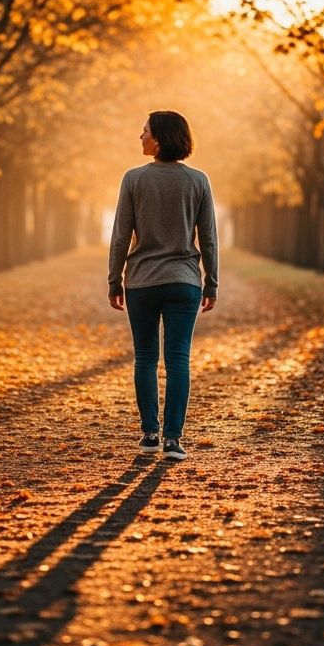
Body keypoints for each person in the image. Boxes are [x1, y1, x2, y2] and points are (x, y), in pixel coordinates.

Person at [107, 110, 218, 461]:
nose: (140, 137)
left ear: (159, 139)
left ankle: (150, 434)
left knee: (145, 358)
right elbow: (209, 238)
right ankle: (173, 440)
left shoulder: (134, 179)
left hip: (141, 281)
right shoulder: (199, 181)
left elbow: (121, 235)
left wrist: (114, 279)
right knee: (178, 359)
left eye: (144, 132)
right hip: (184, 281)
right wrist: (211, 282)